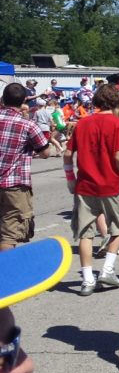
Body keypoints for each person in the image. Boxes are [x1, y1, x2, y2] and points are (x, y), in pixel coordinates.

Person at [64, 85, 119, 295]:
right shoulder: (118, 124)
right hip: (111, 184)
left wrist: (70, 178)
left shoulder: (82, 123)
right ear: (116, 101)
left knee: (85, 233)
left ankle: (86, 279)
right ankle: (107, 269)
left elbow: (67, 154)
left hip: (85, 185)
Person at [0, 84, 51, 253]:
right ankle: (5, 275)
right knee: (9, 233)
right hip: (12, 184)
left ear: (3, 99)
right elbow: (45, 153)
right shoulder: (28, 124)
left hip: (10, 184)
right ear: (24, 101)